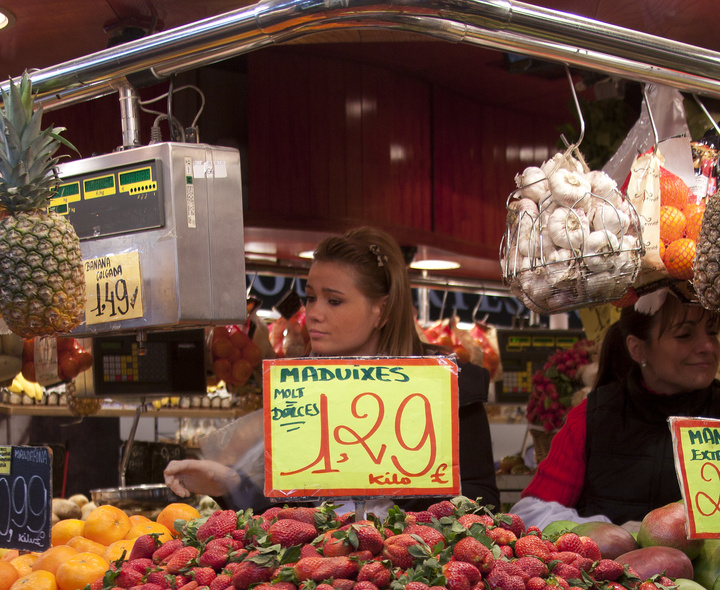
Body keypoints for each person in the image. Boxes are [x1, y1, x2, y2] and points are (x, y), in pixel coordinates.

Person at [165, 226, 500, 514]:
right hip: (320, 584)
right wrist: (225, 482)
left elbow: (481, 505)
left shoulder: (450, 391)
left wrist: (397, 529)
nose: (313, 313)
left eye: (334, 300)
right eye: (311, 297)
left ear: (380, 310)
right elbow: (284, 519)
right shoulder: (299, 393)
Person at [513, 286, 720, 529]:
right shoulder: (592, 417)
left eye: (712, 332)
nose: (707, 346)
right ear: (638, 348)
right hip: (611, 566)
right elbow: (529, 514)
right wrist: (608, 531)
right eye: (684, 335)